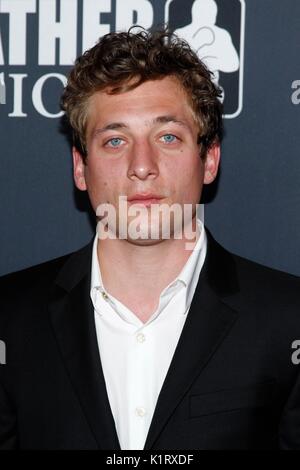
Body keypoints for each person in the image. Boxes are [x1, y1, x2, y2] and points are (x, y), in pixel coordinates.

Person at [0, 28, 299, 451]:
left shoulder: (288, 319)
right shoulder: (10, 319)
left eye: (168, 137)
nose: (142, 166)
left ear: (209, 159)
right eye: (116, 140)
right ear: (80, 168)